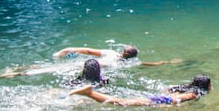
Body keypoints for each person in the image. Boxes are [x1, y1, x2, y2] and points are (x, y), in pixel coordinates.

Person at [69, 74, 211, 107]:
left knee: (124, 101)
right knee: (123, 102)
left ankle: (87, 96)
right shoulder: (193, 94)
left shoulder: (183, 87)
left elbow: (168, 90)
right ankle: (90, 93)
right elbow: (176, 100)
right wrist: (165, 105)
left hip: (161, 96)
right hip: (162, 100)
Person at [53, 44, 182, 67]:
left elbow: (88, 51)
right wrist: (168, 62)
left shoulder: (110, 53)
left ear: (122, 52)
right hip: (102, 69)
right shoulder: (132, 63)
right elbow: (151, 64)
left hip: (87, 64)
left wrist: (70, 49)